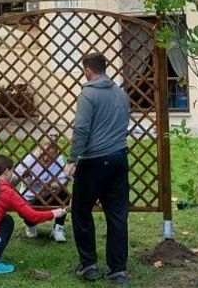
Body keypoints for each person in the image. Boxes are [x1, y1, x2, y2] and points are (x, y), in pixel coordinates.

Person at [63, 52, 131, 284]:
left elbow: (81, 130)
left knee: (81, 213)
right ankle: (118, 270)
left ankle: (89, 265)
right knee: (117, 216)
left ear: (87, 70)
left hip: (92, 162)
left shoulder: (88, 95)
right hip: (119, 159)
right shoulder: (121, 94)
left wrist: (72, 159)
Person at [14, 136, 70, 242]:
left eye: (50, 156)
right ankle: (31, 225)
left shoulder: (59, 159)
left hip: (48, 195)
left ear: (56, 153)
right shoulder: (30, 158)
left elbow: (63, 181)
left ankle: (58, 229)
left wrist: (49, 186)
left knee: (64, 194)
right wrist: (27, 181)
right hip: (31, 198)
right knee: (28, 214)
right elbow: (16, 176)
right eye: (43, 153)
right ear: (40, 148)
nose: (45, 158)